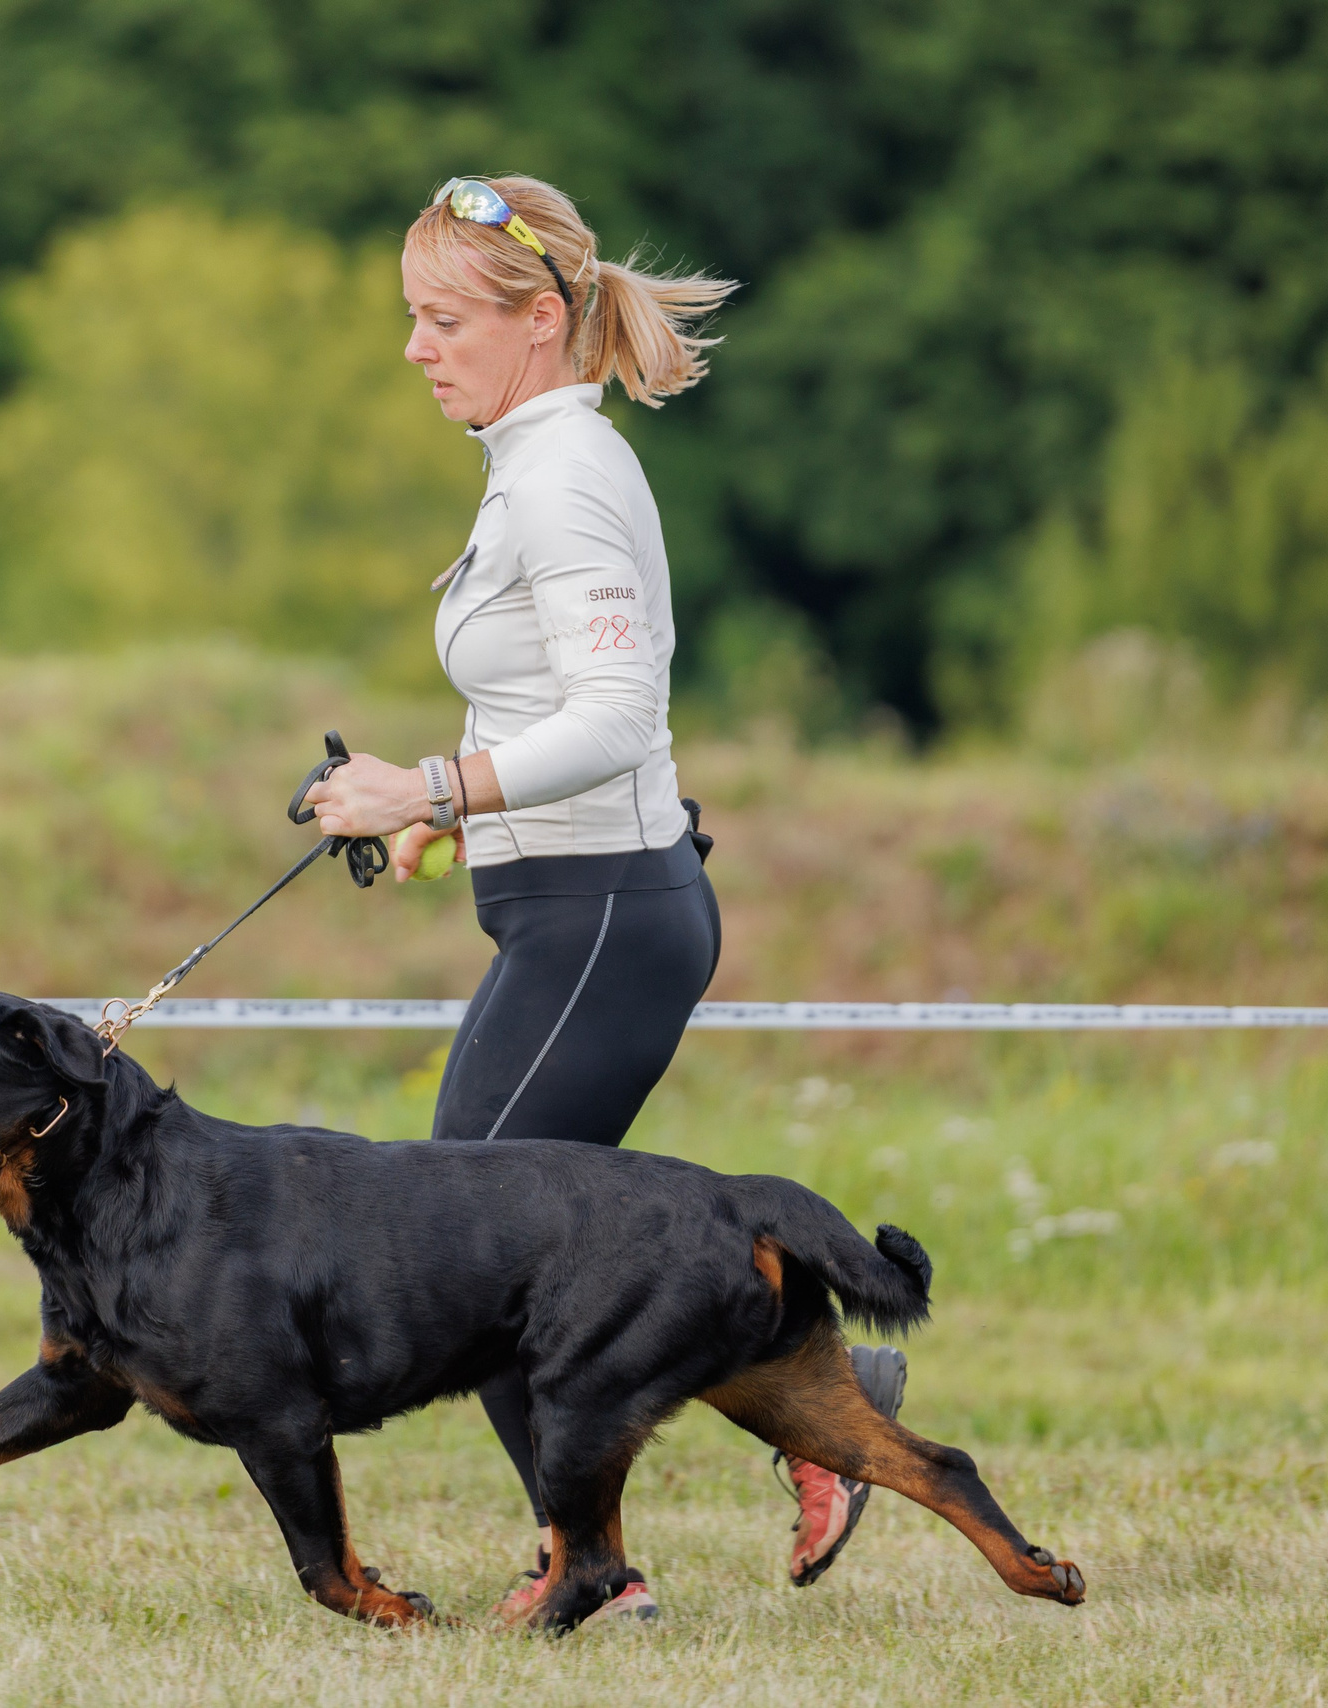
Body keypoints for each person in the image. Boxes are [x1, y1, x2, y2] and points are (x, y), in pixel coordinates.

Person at [305, 175, 909, 1625]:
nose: (415, 350)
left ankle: (599, 1577)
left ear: (540, 319)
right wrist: (459, 828)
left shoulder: (565, 471)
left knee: (472, 1262)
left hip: (611, 922)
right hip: (574, 908)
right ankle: (822, 1395)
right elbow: (557, 718)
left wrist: (430, 790)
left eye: (444, 319)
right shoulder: (528, 459)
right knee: (518, 1255)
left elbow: (621, 719)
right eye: (412, 318)